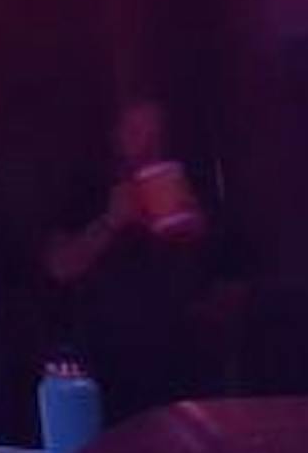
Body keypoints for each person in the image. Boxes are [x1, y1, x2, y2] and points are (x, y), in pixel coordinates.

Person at [43, 96, 242, 423]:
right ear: (115, 136)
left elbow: (233, 280)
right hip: (111, 365)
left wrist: (198, 233)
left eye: (156, 136)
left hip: (187, 367)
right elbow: (59, 266)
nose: (147, 146)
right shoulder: (88, 190)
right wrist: (110, 221)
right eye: (136, 132)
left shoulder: (191, 184)